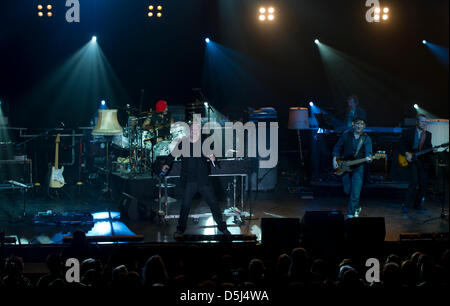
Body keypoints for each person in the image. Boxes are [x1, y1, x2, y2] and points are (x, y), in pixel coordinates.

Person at [161, 122, 231, 239]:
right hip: (189, 181)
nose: (194, 132)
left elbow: (214, 160)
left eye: (196, 130)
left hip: (203, 181)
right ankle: (180, 229)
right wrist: (167, 164)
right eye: (192, 130)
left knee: (213, 204)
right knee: (185, 206)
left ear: (200, 132)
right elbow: (172, 155)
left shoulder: (205, 143)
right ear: (190, 131)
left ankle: (222, 227)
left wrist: (213, 158)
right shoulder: (183, 143)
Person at [332, 117, 373, 218]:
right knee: (347, 190)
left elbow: (369, 153)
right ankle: (356, 206)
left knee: (356, 190)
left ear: (364, 126)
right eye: (357, 123)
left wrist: (369, 158)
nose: (359, 126)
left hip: (359, 167)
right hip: (345, 165)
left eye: (362, 124)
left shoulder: (366, 138)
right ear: (353, 125)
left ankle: (351, 214)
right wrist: (335, 159)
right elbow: (337, 147)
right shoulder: (346, 136)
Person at [399, 113, 433, 213]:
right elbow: (400, 144)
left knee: (423, 184)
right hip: (411, 159)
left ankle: (417, 204)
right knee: (414, 181)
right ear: (417, 122)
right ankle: (406, 204)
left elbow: (428, 149)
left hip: (422, 161)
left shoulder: (428, 135)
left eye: (425, 122)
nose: (424, 124)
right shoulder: (409, 132)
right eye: (422, 122)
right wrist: (406, 154)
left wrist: (433, 151)